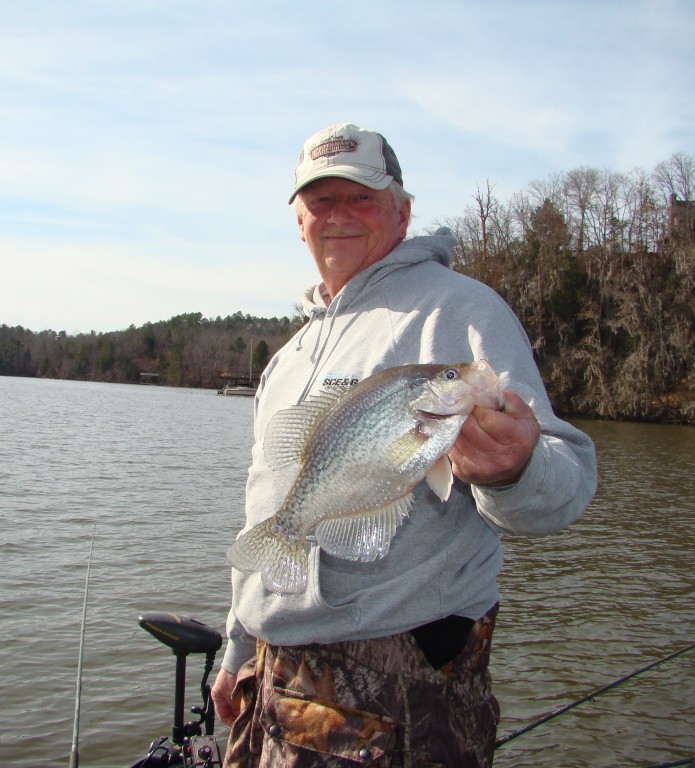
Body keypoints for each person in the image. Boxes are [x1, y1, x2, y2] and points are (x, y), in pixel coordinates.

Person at [211, 122, 597, 767]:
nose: (339, 217)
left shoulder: (461, 310)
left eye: (361, 197)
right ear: (298, 219)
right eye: (321, 201)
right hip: (272, 679)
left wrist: (514, 470)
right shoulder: (289, 357)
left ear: (403, 210)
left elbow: (563, 492)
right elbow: (266, 508)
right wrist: (237, 650)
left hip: (393, 684)